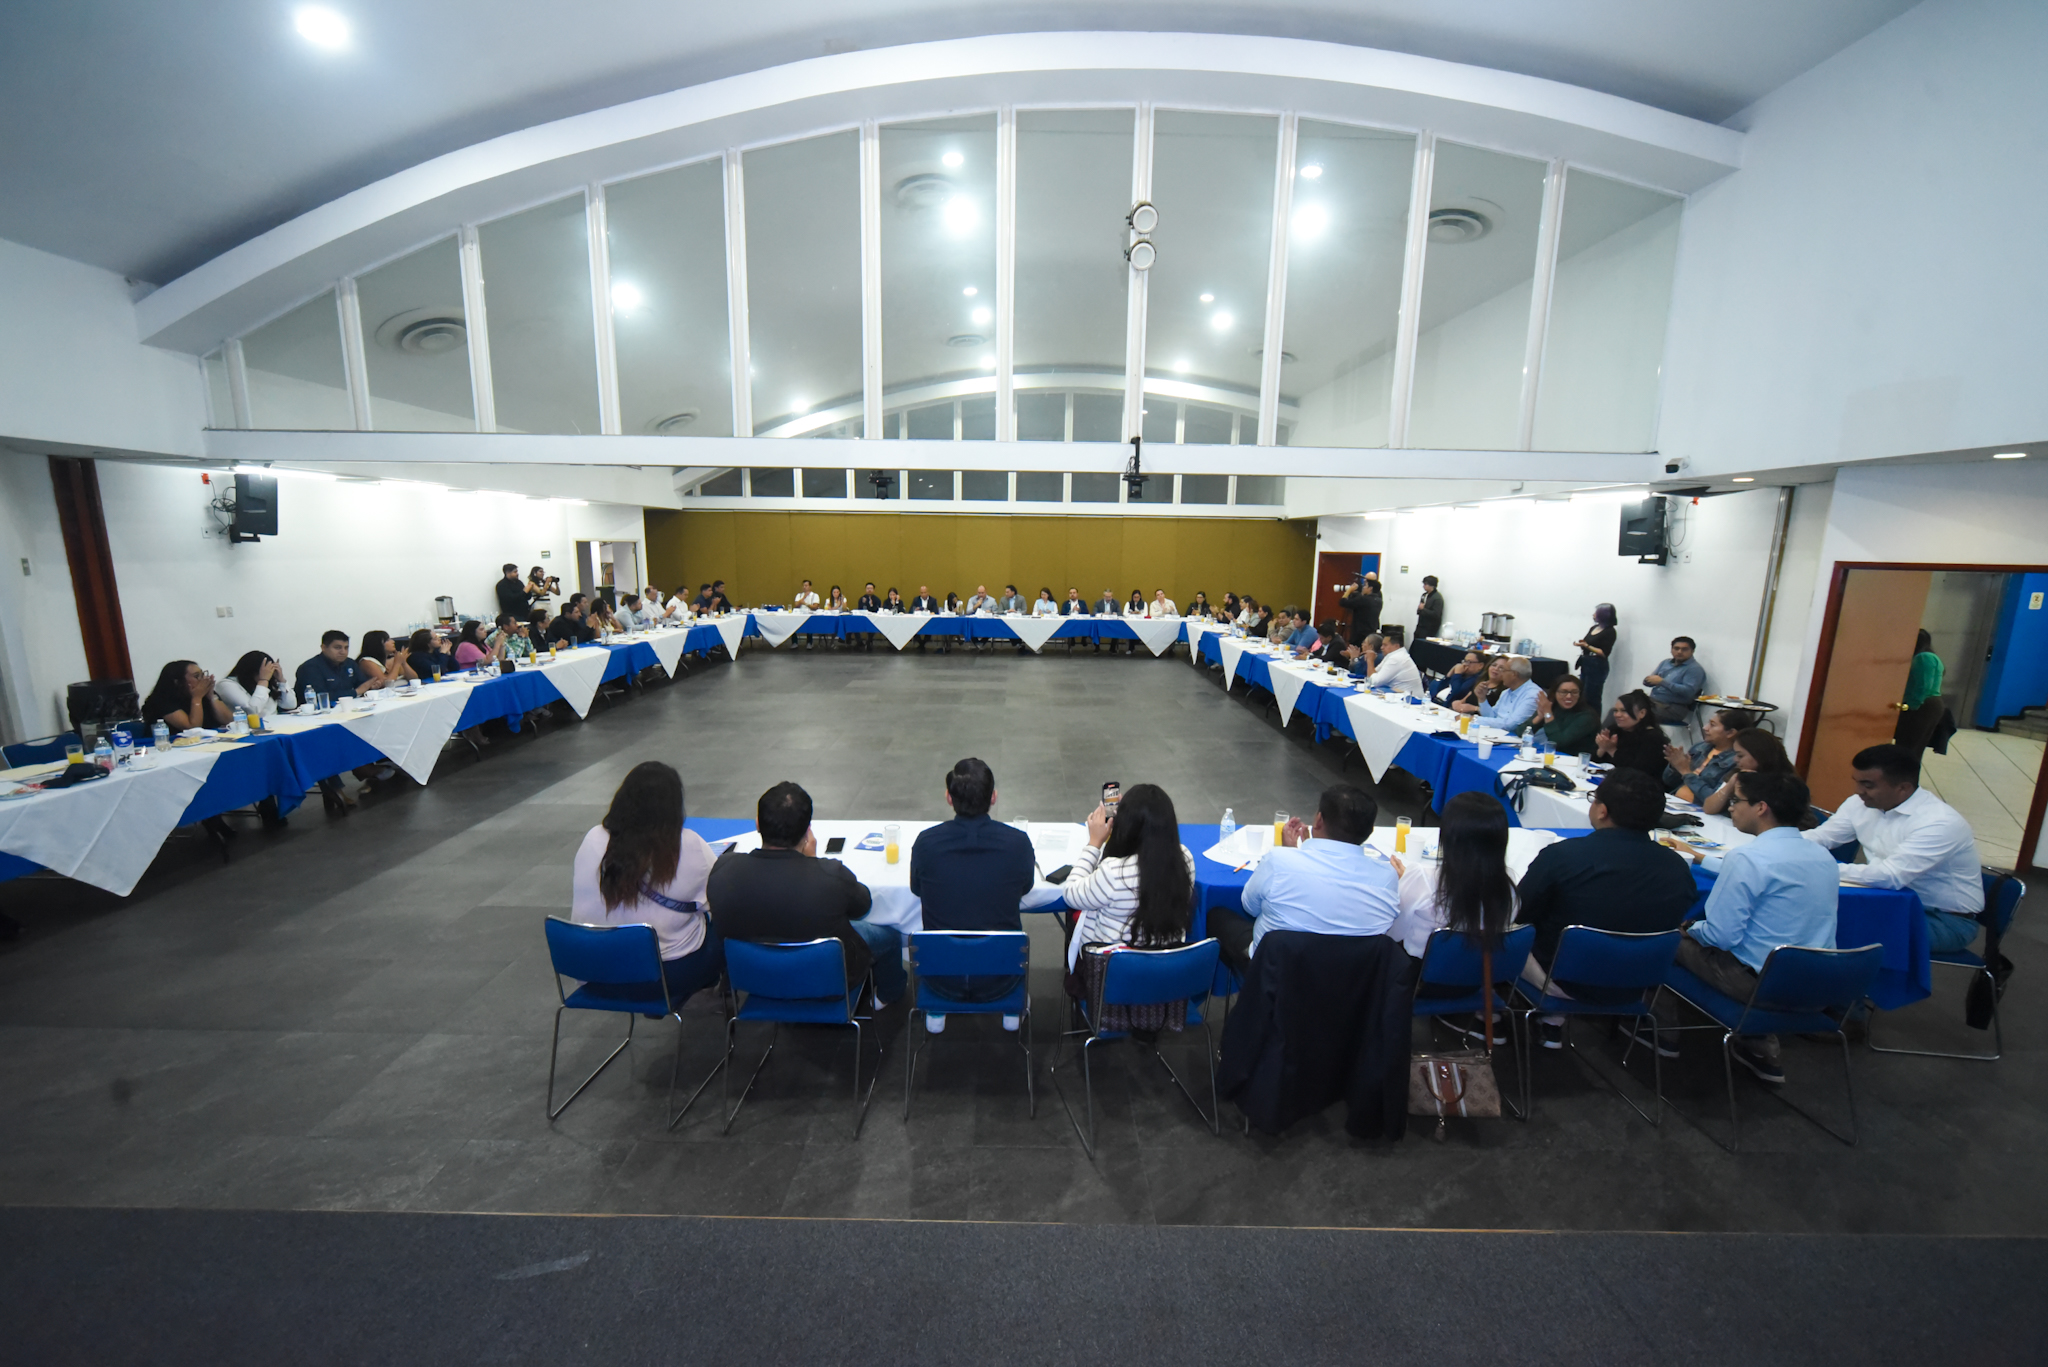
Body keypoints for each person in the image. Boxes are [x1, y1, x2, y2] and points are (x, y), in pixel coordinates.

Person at [1652, 769, 1841, 1084]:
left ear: (1761, 808)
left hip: (1760, 986)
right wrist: (1701, 859)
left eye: (1737, 801)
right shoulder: (1822, 856)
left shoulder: (1748, 858)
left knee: (1663, 937)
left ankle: (1663, 1034)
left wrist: (1690, 928)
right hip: (1820, 985)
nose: (1731, 808)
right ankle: (1761, 1049)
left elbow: (1720, 937)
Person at [1514, 767, 1700, 1047]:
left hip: (1562, 980)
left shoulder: (1563, 856)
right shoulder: (1678, 868)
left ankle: (1488, 1016)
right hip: (1637, 984)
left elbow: (1520, 914)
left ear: (1602, 811)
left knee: (1499, 928)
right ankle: (1552, 1020)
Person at [708, 781, 902, 1006]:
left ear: (758, 823)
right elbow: (863, 906)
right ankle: (890, 993)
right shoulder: (830, 875)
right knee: (890, 936)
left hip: (754, 979)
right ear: (808, 830)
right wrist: (812, 863)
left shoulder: (723, 869)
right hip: (827, 980)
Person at [1803, 743, 1984, 953]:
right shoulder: (1859, 804)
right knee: (1807, 914)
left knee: (1838, 928)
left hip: (1943, 920)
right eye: (1857, 782)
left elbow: (1889, 876)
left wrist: (1817, 868)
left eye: (1868, 785)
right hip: (1889, 901)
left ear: (1903, 788)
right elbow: (1822, 836)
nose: (1858, 791)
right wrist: (1777, 844)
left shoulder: (1939, 822)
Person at [571, 761, 725, 1006]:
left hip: (594, 973)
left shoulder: (592, 838)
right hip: (664, 977)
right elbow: (719, 901)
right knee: (728, 925)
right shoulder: (688, 845)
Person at [1211, 784, 1396, 974]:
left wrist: (1291, 854)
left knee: (1217, 916)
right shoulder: (1387, 877)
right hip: (1348, 980)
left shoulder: (1279, 861)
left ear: (1319, 820)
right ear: (1370, 831)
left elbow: (1250, 906)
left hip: (1276, 976)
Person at [909, 758, 1037, 1031]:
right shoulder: (1018, 843)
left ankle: (937, 1008)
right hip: (1002, 977)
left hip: (940, 977)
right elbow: (1025, 888)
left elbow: (917, 889)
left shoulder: (926, 843)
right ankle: (1011, 1009)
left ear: (948, 798)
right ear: (993, 797)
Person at [1061, 782, 1196, 972]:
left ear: (1128, 826)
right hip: (1166, 971)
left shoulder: (1113, 873)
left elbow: (1070, 892)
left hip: (1114, 974)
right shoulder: (1185, 859)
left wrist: (1094, 843)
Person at [1698, 728, 1793, 817]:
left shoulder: (1784, 784)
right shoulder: (1738, 773)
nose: (1735, 759)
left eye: (1740, 756)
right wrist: (1730, 784)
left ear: (1759, 755)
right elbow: (1708, 808)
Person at [1665, 708, 1753, 802]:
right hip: (1674, 799)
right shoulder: (1700, 747)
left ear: (1730, 733)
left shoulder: (1735, 761)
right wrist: (1675, 766)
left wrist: (1686, 772)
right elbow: (1668, 781)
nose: (1705, 728)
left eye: (1712, 725)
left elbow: (1714, 800)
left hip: (1698, 808)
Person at [1454, 655, 1541, 731]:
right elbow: (1491, 716)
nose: (1502, 674)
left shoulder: (1533, 695)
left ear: (1514, 674)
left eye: (1504, 670)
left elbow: (1510, 725)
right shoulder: (1506, 692)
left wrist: (1474, 719)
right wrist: (1482, 699)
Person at [142, 659, 232, 732]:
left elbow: (229, 720)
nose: (204, 679)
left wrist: (211, 696)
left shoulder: (204, 694)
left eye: (203, 674)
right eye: (197, 676)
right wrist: (197, 699)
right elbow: (193, 728)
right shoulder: (162, 700)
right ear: (178, 682)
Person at [1593, 691, 1667, 779]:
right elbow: (1594, 763)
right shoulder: (1614, 730)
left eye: (1624, 711)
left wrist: (1612, 750)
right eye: (1616, 710)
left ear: (1642, 713)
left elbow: (1637, 771)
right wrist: (1602, 749)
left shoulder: (1654, 738)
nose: (1617, 715)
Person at [1645, 636, 1706, 739]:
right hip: (1653, 702)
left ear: (1692, 651)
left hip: (1673, 708)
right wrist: (1648, 680)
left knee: (1636, 713)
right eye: (1676, 648)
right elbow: (1649, 681)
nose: (1679, 652)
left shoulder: (1694, 669)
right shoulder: (1665, 663)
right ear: (1671, 649)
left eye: (1684, 649)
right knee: (1625, 706)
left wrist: (1662, 682)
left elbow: (1688, 691)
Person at [1896, 628, 1948, 752]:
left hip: (1923, 705)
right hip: (1926, 704)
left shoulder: (1924, 658)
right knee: (1914, 745)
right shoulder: (1929, 656)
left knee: (1909, 744)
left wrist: (1909, 707)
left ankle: (1904, 765)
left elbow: (1924, 686)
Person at [295, 630, 377, 700]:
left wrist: (371, 686)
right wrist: (355, 692)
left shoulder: (350, 663)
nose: (343, 652)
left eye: (346, 648)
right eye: (337, 648)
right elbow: (320, 696)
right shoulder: (310, 668)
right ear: (323, 648)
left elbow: (362, 684)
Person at [1528, 674, 1598, 755]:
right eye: (1563, 692)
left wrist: (1548, 714)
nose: (1569, 696)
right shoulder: (1552, 706)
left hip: (1574, 758)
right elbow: (1520, 732)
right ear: (1554, 693)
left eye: (1574, 692)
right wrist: (1539, 717)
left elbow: (1558, 742)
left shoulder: (1587, 716)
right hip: (1553, 755)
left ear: (1580, 694)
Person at [218, 650, 299, 719]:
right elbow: (253, 711)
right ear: (251, 672)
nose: (269, 675)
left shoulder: (268, 681)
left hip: (274, 724)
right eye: (265, 671)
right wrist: (263, 680)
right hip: (248, 728)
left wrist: (281, 680)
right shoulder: (226, 684)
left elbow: (290, 705)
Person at [1574, 604, 1618, 712]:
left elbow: (1603, 653)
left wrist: (1587, 646)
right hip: (1586, 662)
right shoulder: (1594, 628)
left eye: (1596, 613)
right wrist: (1582, 644)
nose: (1593, 615)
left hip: (1597, 665)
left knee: (1592, 697)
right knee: (1582, 694)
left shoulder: (1610, 631)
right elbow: (1587, 643)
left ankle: (1594, 719)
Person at [1352, 629, 1423, 696]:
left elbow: (1374, 682)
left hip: (1410, 700)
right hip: (1398, 695)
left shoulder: (1397, 658)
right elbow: (1374, 674)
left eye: (1385, 645)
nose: (1381, 648)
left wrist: (1370, 661)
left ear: (1396, 646)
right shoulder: (1393, 655)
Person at [1339, 572, 1383, 646]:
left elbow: (1342, 602)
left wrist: (1349, 590)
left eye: (1365, 584)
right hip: (1371, 632)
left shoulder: (1364, 600)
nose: (1363, 586)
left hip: (1359, 634)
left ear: (1370, 588)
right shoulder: (1379, 599)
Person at [1415, 575, 1445, 642]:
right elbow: (1419, 609)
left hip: (1429, 629)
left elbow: (1436, 614)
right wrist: (1419, 609)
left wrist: (1423, 609)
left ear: (1432, 585)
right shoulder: (1424, 595)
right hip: (1420, 626)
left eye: (1425, 584)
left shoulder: (1437, 598)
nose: (1423, 586)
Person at [856, 582, 882, 651]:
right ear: (865, 589)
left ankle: (869, 641)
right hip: (863, 619)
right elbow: (860, 609)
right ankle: (859, 642)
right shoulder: (862, 599)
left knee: (874, 625)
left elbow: (877, 610)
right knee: (854, 624)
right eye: (868, 588)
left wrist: (871, 605)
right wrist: (865, 603)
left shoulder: (877, 600)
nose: (869, 590)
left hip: (873, 619)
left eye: (871, 588)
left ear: (873, 590)